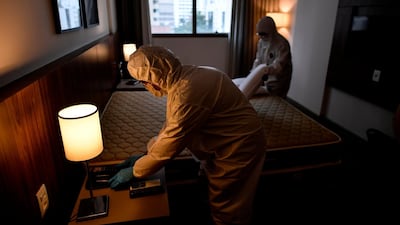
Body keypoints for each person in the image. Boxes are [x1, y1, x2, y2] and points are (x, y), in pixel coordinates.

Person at [108, 45, 266, 225]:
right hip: (230, 137)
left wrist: (136, 170)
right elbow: (171, 126)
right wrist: (147, 153)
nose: (145, 87)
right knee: (222, 189)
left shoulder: (186, 93)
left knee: (229, 204)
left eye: (143, 82)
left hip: (239, 145)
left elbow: (171, 143)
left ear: (154, 79)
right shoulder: (187, 76)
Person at [233, 16, 293, 98]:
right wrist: (253, 74)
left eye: (263, 34)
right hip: (263, 81)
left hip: (277, 83)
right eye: (259, 34)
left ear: (271, 31)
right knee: (237, 85)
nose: (261, 37)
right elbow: (258, 59)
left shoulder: (282, 44)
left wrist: (265, 70)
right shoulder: (261, 42)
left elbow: (279, 66)